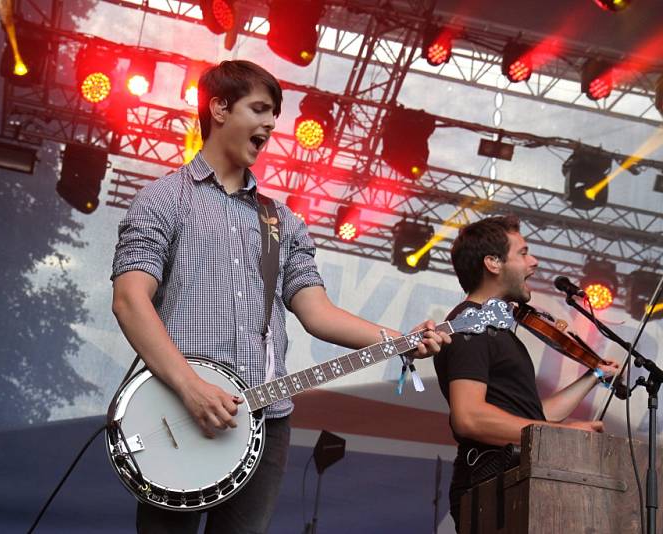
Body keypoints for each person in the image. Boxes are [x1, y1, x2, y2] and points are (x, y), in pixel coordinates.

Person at [110, 59, 451, 534]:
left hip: (264, 423)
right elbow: (129, 300)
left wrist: (400, 341)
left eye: (275, 113)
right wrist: (190, 386)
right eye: (260, 109)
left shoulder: (282, 222)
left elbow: (318, 313)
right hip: (179, 412)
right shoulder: (164, 200)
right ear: (220, 109)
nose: (272, 124)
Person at [432, 215, 618, 531]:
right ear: (493, 263)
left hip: (514, 479)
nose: (533, 261)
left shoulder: (496, 330)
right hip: (491, 481)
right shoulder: (470, 326)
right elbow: (469, 417)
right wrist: (562, 435)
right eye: (523, 253)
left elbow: (533, 416)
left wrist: (595, 376)